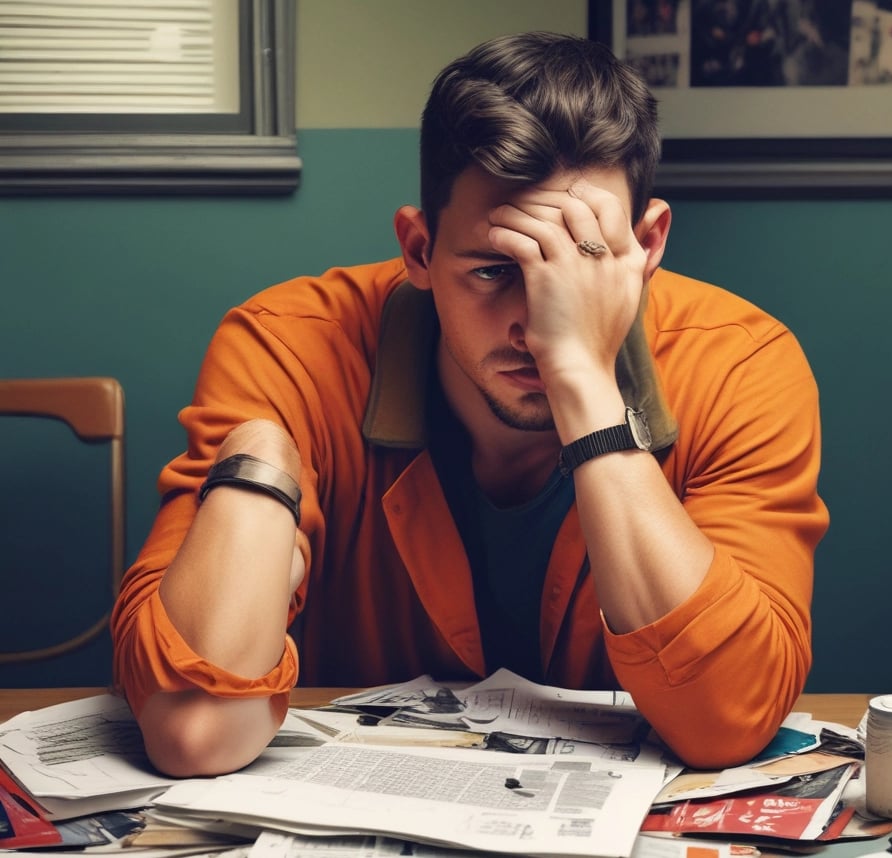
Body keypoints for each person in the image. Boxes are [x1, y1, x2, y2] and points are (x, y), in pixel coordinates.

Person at [111, 31, 828, 778]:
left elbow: (727, 721)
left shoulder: (742, 363)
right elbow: (195, 730)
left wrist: (583, 378)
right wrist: (263, 452)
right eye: (493, 270)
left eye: (579, 263)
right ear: (417, 250)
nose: (534, 326)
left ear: (647, 246)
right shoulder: (288, 350)